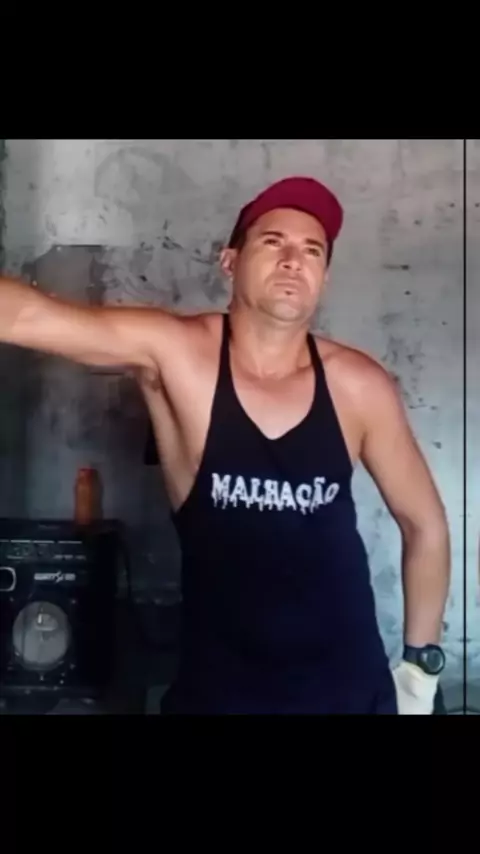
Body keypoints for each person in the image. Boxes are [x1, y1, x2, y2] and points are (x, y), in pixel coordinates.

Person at [0, 175, 450, 714]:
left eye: (312, 250)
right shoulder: (176, 352)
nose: (293, 260)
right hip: (218, 695)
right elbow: (24, 315)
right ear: (230, 261)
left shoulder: (359, 385)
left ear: (324, 277)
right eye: (273, 242)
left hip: (349, 693)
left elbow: (424, 524)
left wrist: (419, 670)